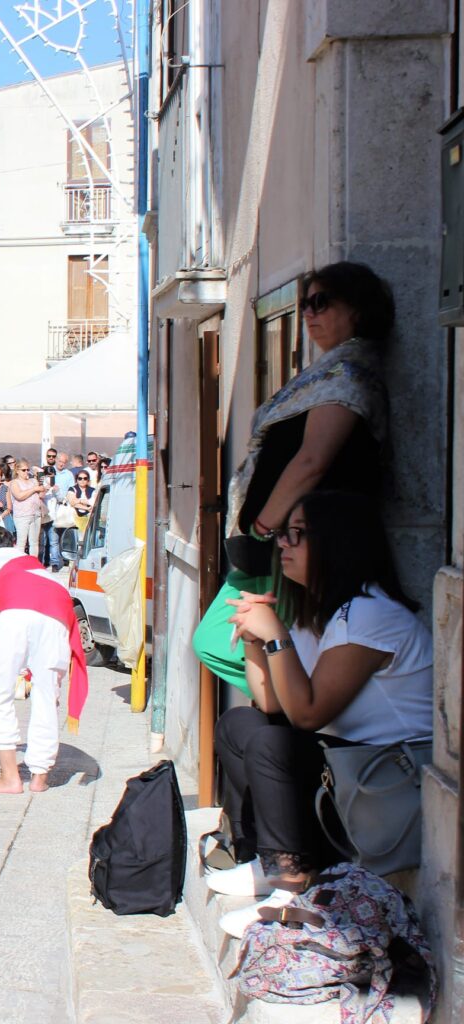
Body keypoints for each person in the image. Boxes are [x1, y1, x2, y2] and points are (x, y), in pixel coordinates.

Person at [205, 491, 432, 937]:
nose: (283, 546)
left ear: (337, 544)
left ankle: (291, 888)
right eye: (283, 535)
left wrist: (274, 637)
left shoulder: (370, 614)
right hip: (348, 769)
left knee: (273, 744)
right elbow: (271, 702)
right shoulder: (324, 614)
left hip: (388, 782)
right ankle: (269, 861)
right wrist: (256, 637)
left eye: (298, 535)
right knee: (239, 725)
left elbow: (306, 713)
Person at [193, 262, 393, 697]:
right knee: (218, 639)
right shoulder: (327, 371)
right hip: (277, 541)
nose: (308, 312)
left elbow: (312, 460)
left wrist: (262, 525)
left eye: (321, 302)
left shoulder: (350, 372)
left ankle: (295, 708)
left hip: (294, 539)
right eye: (304, 304)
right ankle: (288, 705)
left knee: (222, 639)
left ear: (357, 308)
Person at [0, 527, 88, 794]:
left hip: (18, 611)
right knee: (46, 694)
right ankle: (39, 777)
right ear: (14, 543)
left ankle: (10, 777)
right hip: (60, 614)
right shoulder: (31, 562)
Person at [9, 459, 46, 555]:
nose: (26, 472)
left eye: (27, 469)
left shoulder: (33, 481)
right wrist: (34, 489)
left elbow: (41, 495)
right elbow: (19, 496)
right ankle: (19, 565)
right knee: (21, 542)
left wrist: (41, 485)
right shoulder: (14, 483)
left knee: (34, 542)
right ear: (17, 471)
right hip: (22, 516)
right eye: (23, 470)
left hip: (35, 514)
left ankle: (33, 564)